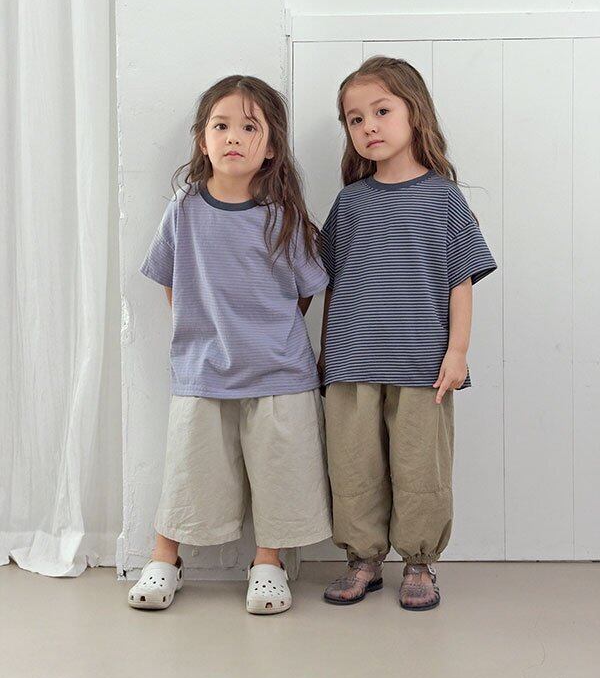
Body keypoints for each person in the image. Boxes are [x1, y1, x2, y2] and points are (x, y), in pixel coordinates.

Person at [128, 74, 332, 614]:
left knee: (281, 471)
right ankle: (165, 557)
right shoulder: (183, 210)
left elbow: (306, 292)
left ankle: (268, 563)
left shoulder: (285, 218)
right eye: (221, 126)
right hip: (203, 370)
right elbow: (171, 281)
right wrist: (201, 332)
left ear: (271, 147)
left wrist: (267, 335)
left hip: (280, 373)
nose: (233, 137)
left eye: (249, 127)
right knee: (190, 469)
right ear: (203, 139)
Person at [318, 56, 497, 611]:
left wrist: (458, 351)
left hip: (423, 367)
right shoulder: (350, 202)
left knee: (421, 469)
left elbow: (460, 280)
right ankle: (363, 560)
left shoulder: (444, 198)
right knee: (354, 467)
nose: (368, 126)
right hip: (352, 363)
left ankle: (419, 561)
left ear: (414, 113)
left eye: (381, 111)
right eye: (355, 119)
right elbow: (331, 282)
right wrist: (325, 354)